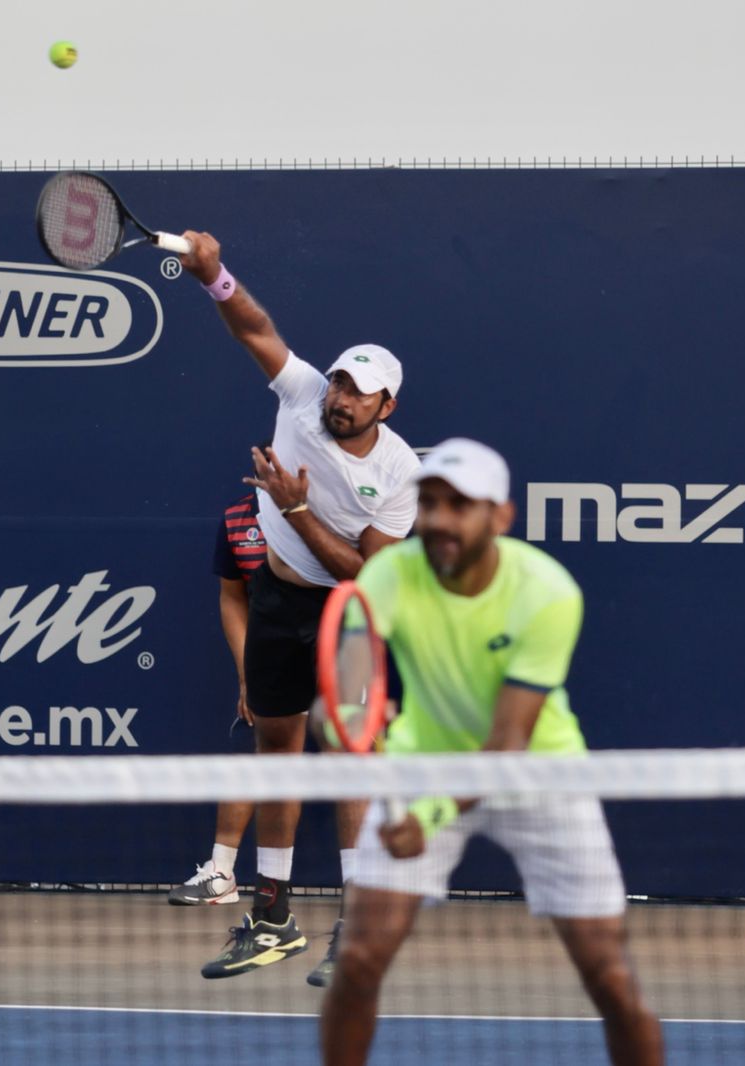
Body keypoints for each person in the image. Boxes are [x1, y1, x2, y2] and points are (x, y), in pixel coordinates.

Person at [319, 438, 663, 1066]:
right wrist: (338, 721)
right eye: (429, 503)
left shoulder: (547, 591)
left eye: (460, 505)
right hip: (424, 765)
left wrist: (427, 816)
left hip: (539, 775)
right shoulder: (388, 574)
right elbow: (345, 694)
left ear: (500, 517)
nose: (440, 520)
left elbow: (507, 745)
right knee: (359, 960)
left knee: (610, 976)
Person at [178, 231, 421, 983]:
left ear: (387, 404)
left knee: (349, 762)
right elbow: (255, 328)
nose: (341, 399)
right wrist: (214, 276)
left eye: (359, 392)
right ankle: (272, 920)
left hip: (350, 615)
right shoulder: (304, 395)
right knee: (276, 754)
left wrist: (296, 508)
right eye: (340, 384)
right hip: (279, 604)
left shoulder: (400, 472)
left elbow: (365, 575)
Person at [167, 489, 267, 906]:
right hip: (272, 658)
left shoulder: (333, 508)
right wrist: (248, 675)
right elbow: (232, 597)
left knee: (354, 761)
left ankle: (367, 884)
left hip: (337, 649)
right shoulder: (237, 520)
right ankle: (222, 873)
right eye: (263, 462)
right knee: (248, 750)